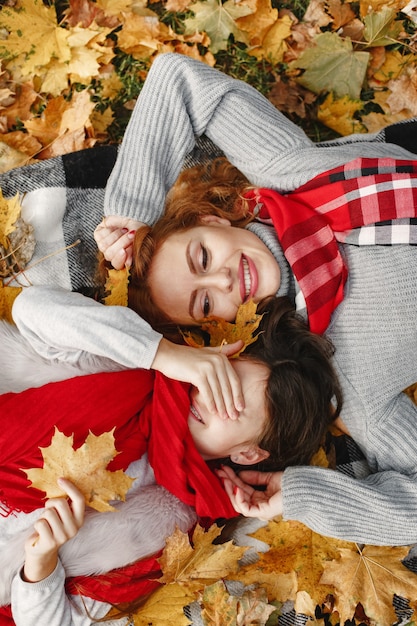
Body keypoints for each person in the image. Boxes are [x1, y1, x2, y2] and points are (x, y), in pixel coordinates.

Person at [1, 299, 343, 625]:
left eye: (233, 405)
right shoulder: (130, 359)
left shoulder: (174, 535)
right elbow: (30, 309)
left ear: (249, 454)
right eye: (222, 379)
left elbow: (53, 621)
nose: (210, 398)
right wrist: (163, 354)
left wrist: (41, 562)